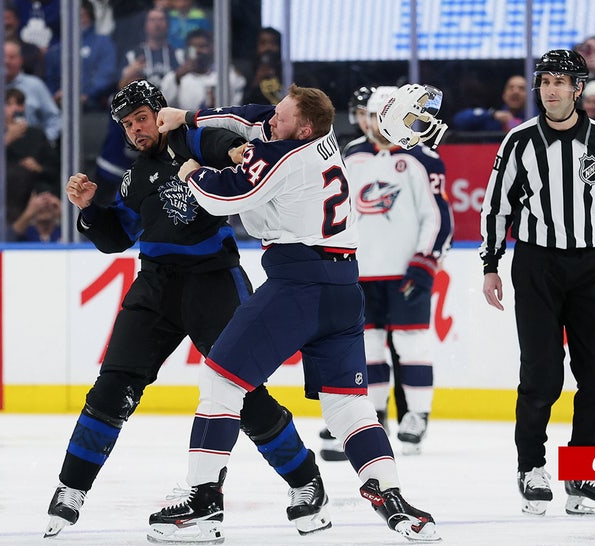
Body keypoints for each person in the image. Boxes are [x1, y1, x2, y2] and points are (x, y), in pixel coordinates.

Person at [152, 84, 440, 542]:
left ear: (302, 128)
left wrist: (189, 168)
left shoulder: (282, 159)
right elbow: (254, 117)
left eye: (283, 117)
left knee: (221, 381)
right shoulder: (320, 139)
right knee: (346, 403)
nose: (272, 120)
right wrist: (187, 116)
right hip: (345, 287)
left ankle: (204, 503)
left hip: (297, 284)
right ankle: (393, 497)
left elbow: (220, 198)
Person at [43, 80, 330, 539]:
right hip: (156, 286)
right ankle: (70, 489)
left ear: (159, 112)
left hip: (214, 282)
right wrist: (89, 209)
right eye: (128, 124)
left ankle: (306, 482)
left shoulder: (193, 140)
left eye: (142, 117)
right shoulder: (134, 178)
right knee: (113, 389)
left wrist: (236, 152)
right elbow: (118, 237)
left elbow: (222, 142)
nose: (136, 129)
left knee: (245, 396)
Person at [479, 50, 595, 517]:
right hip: (536, 265)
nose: (551, 89)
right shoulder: (518, 142)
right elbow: (498, 207)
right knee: (541, 373)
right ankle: (531, 468)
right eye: (545, 81)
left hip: (592, 266)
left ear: (579, 89)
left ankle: (583, 470)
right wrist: (491, 263)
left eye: (561, 81)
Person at [345, 85, 453, 452]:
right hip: (362, 274)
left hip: (406, 272)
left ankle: (417, 416)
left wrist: (425, 262)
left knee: (412, 343)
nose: (376, 124)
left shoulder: (423, 158)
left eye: (384, 116)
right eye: (372, 116)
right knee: (369, 347)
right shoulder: (353, 156)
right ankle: (375, 418)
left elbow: (437, 218)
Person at [0, 87, 59, 242]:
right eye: (9, 104)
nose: (15, 108)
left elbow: (55, 169)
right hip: (1, 208)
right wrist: (6, 139)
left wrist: (39, 168)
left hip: (34, 206)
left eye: (19, 103)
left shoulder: (36, 135)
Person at [0, 37, 61, 143]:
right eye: (2, 57)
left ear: (21, 60)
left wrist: (43, 145)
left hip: (28, 152)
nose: (6, 61)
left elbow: (54, 118)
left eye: (12, 57)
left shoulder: (35, 85)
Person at [43, 0, 118, 111]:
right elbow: (50, 78)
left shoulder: (102, 42)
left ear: (91, 18)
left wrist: (85, 94)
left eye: (82, 16)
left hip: (94, 106)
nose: (77, 21)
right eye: (72, 17)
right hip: (61, 107)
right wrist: (55, 94)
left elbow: (107, 74)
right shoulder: (57, 49)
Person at [160, 28, 245, 110]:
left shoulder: (227, 74)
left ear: (212, 48)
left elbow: (237, 106)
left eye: (202, 46)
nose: (198, 51)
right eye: (193, 47)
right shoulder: (175, 77)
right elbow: (164, 107)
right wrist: (177, 79)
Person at [118, 7, 180, 88]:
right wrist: (128, 73)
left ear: (168, 24)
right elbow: (119, 85)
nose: (157, 24)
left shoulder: (178, 54)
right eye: (152, 20)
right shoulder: (132, 55)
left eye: (161, 19)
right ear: (145, 25)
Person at [451, 74, 527, 135]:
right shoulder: (493, 119)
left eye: (522, 88)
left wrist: (512, 123)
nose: (516, 92)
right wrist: (491, 114)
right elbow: (458, 120)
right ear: (504, 95)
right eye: (511, 88)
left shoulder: (535, 117)